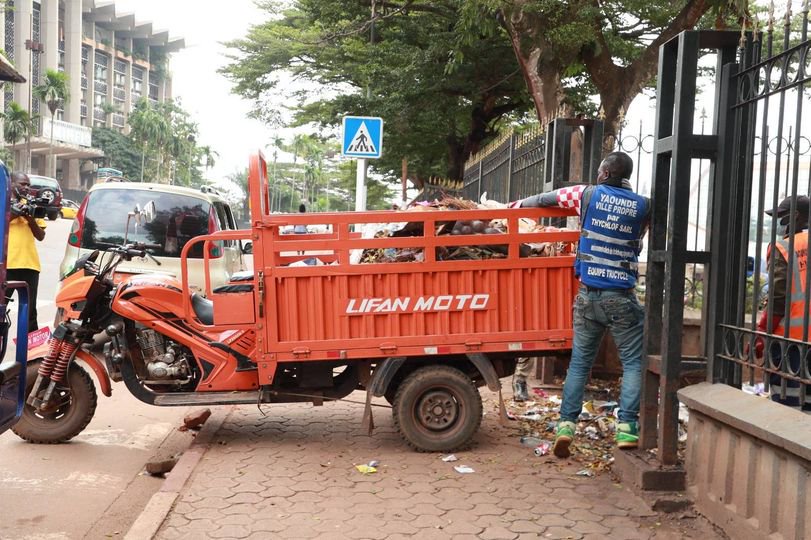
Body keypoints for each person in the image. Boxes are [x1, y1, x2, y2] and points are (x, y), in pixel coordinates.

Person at [518, 151, 650, 458]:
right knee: (632, 363)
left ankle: (566, 426)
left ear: (604, 173)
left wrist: (515, 207)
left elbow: (545, 199)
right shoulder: (644, 205)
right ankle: (628, 428)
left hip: (588, 295)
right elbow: (640, 237)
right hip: (622, 296)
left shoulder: (586, 194)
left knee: (579, 364)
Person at [755, 195, 811, 410]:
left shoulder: (784, 248)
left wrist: (762, 332)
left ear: (795, 217)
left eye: (780, 217)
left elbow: (779, 299)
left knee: (785, 404)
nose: (778, 223)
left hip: (790, 339)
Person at [5, 172, 46, 331]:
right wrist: (14, 214)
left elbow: (41, 236)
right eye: (22, 184)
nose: (26, 188)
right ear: (11, 183)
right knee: (1, 308)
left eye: (28, 185)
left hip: (30, 266)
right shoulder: (4, 203)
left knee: (30, 312)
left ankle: (32, 353)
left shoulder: (32, 205)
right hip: (7, 265)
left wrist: (30, 218)